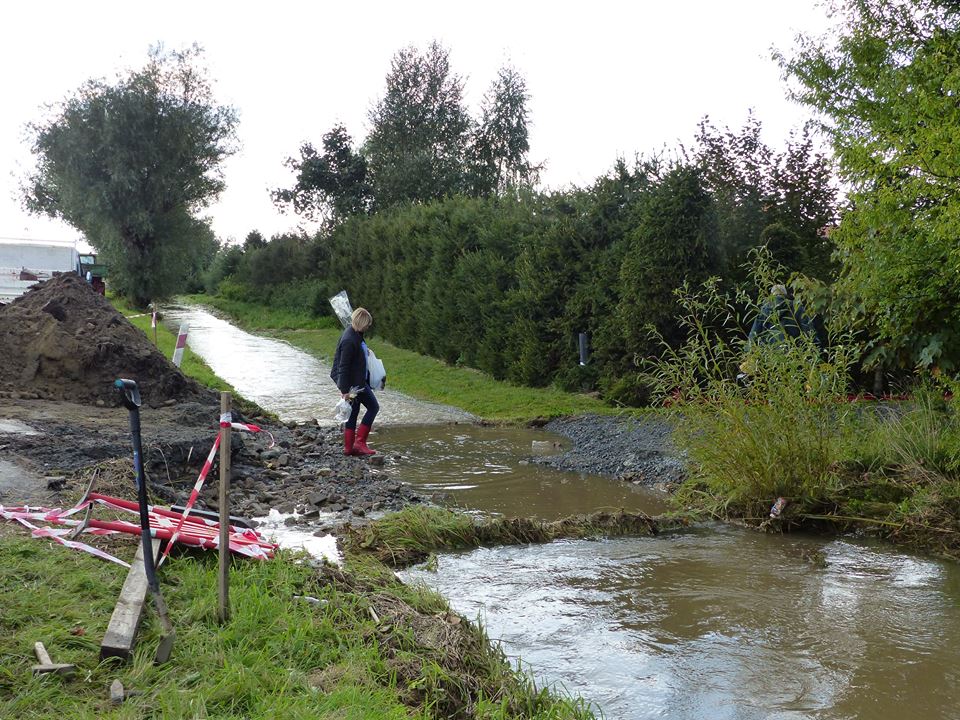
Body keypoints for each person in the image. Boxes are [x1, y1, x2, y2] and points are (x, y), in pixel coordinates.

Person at [330, 307, 379, 456]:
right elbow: (343, 366)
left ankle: (348, 448)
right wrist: (344, 390)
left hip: (355, 382)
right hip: (354, 385)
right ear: (361, 322)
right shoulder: (349, 340)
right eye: (367, 324)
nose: (368, 326)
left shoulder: (354, 334)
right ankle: (360, 443)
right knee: (373, 407)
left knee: (352, 412)